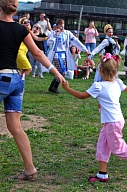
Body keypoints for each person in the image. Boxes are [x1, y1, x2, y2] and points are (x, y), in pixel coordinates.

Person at [61, 53, 127, 182]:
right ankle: (102, 174)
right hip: (114, 121)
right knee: (102, 145)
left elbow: (82, 95)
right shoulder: (117, 83)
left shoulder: (98, 86)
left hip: (113, 122)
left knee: (118, 149)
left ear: (101, 71)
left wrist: (67, 88)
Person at [0, 0, 65, 180]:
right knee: (15, 127)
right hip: (17, 79)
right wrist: (55, 72)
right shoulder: (21, 29)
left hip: (2, 78)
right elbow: (37, 52)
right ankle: (29, 168)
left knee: (15, 127)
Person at [47, 19, 89, 94]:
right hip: (56, 54)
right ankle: (54, 87)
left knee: (62, 71)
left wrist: (85, 50)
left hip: (64, 55)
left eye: (63, 24)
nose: (61, 26)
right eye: (60, 24)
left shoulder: (67, 33)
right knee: (61, 71)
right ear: (57, 26)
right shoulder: (54, 33)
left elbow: (76, 41)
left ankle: (53, 86)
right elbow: (49, 42)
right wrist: (55, 35)